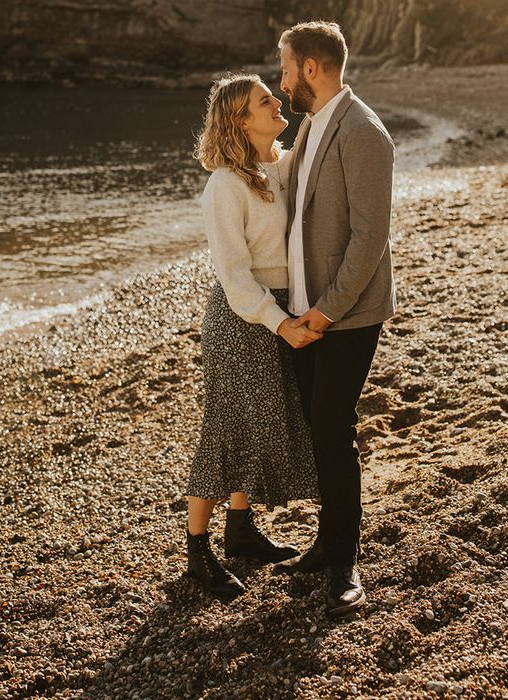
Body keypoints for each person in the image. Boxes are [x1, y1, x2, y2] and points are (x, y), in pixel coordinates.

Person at [273, 22, 396, 618]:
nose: (282, 79)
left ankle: (344, 560)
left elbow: (371, 238)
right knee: (319, 430)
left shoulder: (364, 131)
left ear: (313, 68)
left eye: (286, 68)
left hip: (344, 314)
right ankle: (326, 542)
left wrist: (325, 310)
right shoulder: (311, 125)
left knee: (333, 430)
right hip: (303, 311)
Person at [185, 74, 322, 598]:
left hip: (277, 313)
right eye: (264, 101)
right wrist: (279, 321)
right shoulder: (224, 185)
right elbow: (234, 273)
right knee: (225, 430)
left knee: (254, 425)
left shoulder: (278, 167)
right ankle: (197, 551)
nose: (276, 102)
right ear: (241, 121)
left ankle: (240, 533)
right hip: (241, 319)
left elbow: (318, 134)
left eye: (272, 93)